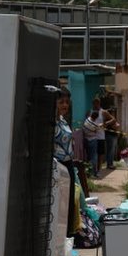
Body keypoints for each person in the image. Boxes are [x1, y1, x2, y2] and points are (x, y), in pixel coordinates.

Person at [54, 87, 78, 238]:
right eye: (61, 102)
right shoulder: (51, 123)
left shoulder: (62, 120)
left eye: (67, 102)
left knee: (68, 204)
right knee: (60, 205)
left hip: (68, 166)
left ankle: (68, 239)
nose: (65, 105)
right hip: (58, 167)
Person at [90, 98, 117, 171]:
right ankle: (93, 169)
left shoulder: (103, 112)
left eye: (97, 104)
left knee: (100, 154)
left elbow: (113, 119)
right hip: (91, 137)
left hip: (100, 136)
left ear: (99, 104)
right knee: (92, 154)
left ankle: (98, 169)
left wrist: (106, 124)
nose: (95, 105)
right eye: (94, 104)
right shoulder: (90, 112)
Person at [82, 110, 102, 177]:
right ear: (96, 118)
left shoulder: (87, 120)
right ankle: (94, 172)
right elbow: (97, 130)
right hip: (92, 140)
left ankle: (88, 172)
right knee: (93, 157)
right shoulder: (94, 124)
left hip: (85, 140)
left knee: (88, 156)